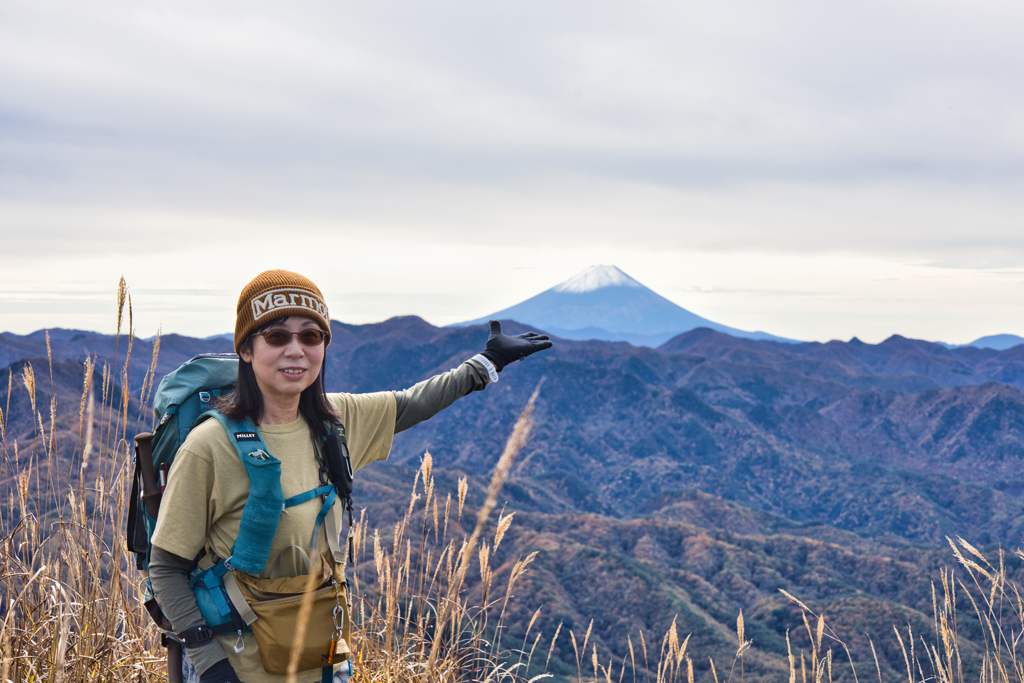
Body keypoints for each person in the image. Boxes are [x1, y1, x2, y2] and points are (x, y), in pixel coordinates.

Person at [148, 270, 552, 683]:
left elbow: (412, 403)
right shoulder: (210, 446)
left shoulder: (334, 422)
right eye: (276, 337)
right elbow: (164, 567)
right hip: (239, 669)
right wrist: (211, 665)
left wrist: (486, 363)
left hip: (324, 664)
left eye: (311, 336)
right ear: (246, 351)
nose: (296, 351)